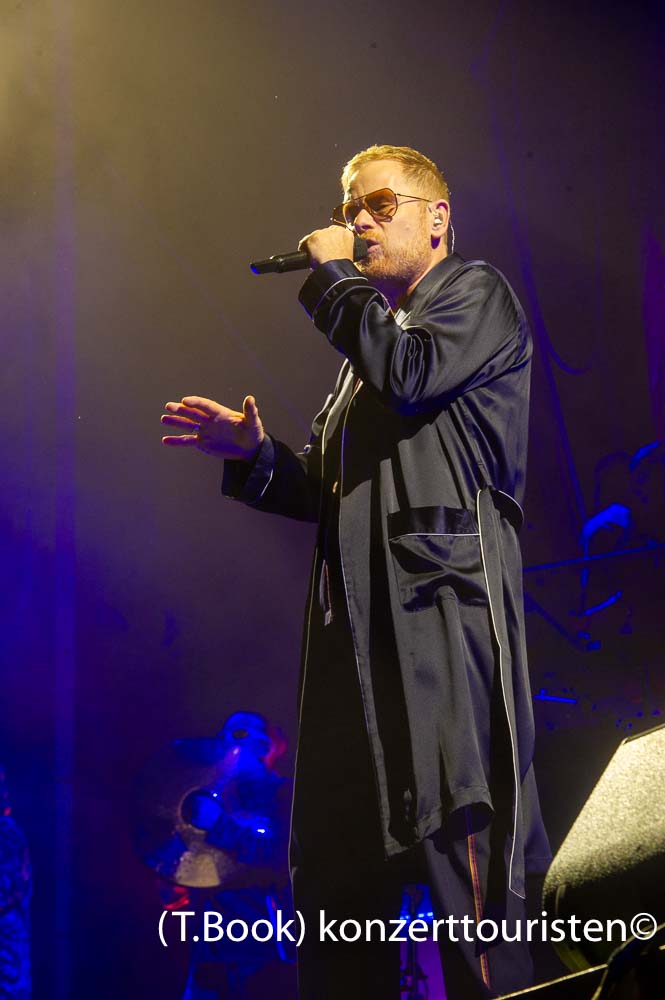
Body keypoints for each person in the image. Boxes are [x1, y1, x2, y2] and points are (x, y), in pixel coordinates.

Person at [161, 144, 551, 999]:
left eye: (378, 205)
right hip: (354, 643)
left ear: (436, 217)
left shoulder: (475, 296)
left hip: (442, 629)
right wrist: (254, 454)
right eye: (348, 212)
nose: (358, 223)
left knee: (465, 864)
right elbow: (325, 488)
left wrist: (333, 278)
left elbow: (413, 374)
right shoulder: (363, 356)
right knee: (336, 880)